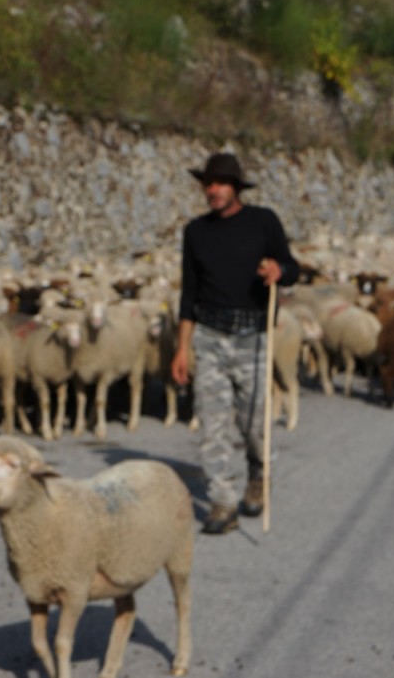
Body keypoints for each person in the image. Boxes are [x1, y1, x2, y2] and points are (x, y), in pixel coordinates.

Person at [171, 152, 299, 535]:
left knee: (254, 424)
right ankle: (222, 502)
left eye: (220, 184)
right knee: (212, 426)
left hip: (253, 337)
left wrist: (279, 270)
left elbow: (292, 267)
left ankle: (259, 474)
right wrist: (182, 347)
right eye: (208, 184)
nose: (213, 190)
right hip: (210, 338)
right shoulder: (196, 232)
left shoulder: (263, 222)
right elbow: (189, 293)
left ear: (235, 188)